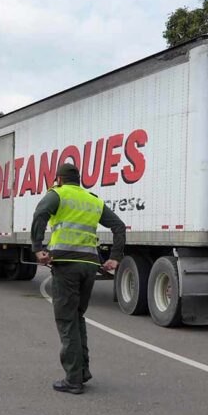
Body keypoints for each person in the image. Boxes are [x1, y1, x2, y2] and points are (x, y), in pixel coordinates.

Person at [30, 163, 125, 394]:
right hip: (90, 266)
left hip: (66, 265)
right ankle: (82, 371)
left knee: (66, 319)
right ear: (78, 180)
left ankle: (73, 380)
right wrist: (115, 258)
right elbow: (119, 226)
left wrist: (38, 247)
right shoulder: (92, 200)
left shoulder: (57, 194)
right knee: (77, 316)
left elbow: (40, 214)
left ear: (59, 179)